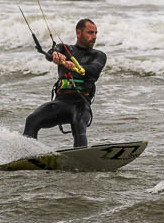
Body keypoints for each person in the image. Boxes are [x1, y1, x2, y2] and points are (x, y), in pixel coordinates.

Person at [23, 18, 106, 148]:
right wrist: (55, 55)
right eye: (90, 32)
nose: (94, 36)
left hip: (81, 104)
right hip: (61, 102)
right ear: (79, 33)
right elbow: (50, 53)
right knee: (32, 120)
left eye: (96, 33)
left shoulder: (98, 55)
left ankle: (81, 158)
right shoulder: (64, 48)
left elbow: (94, 70)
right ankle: (27, 154)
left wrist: (75, 66)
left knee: (78, 123)